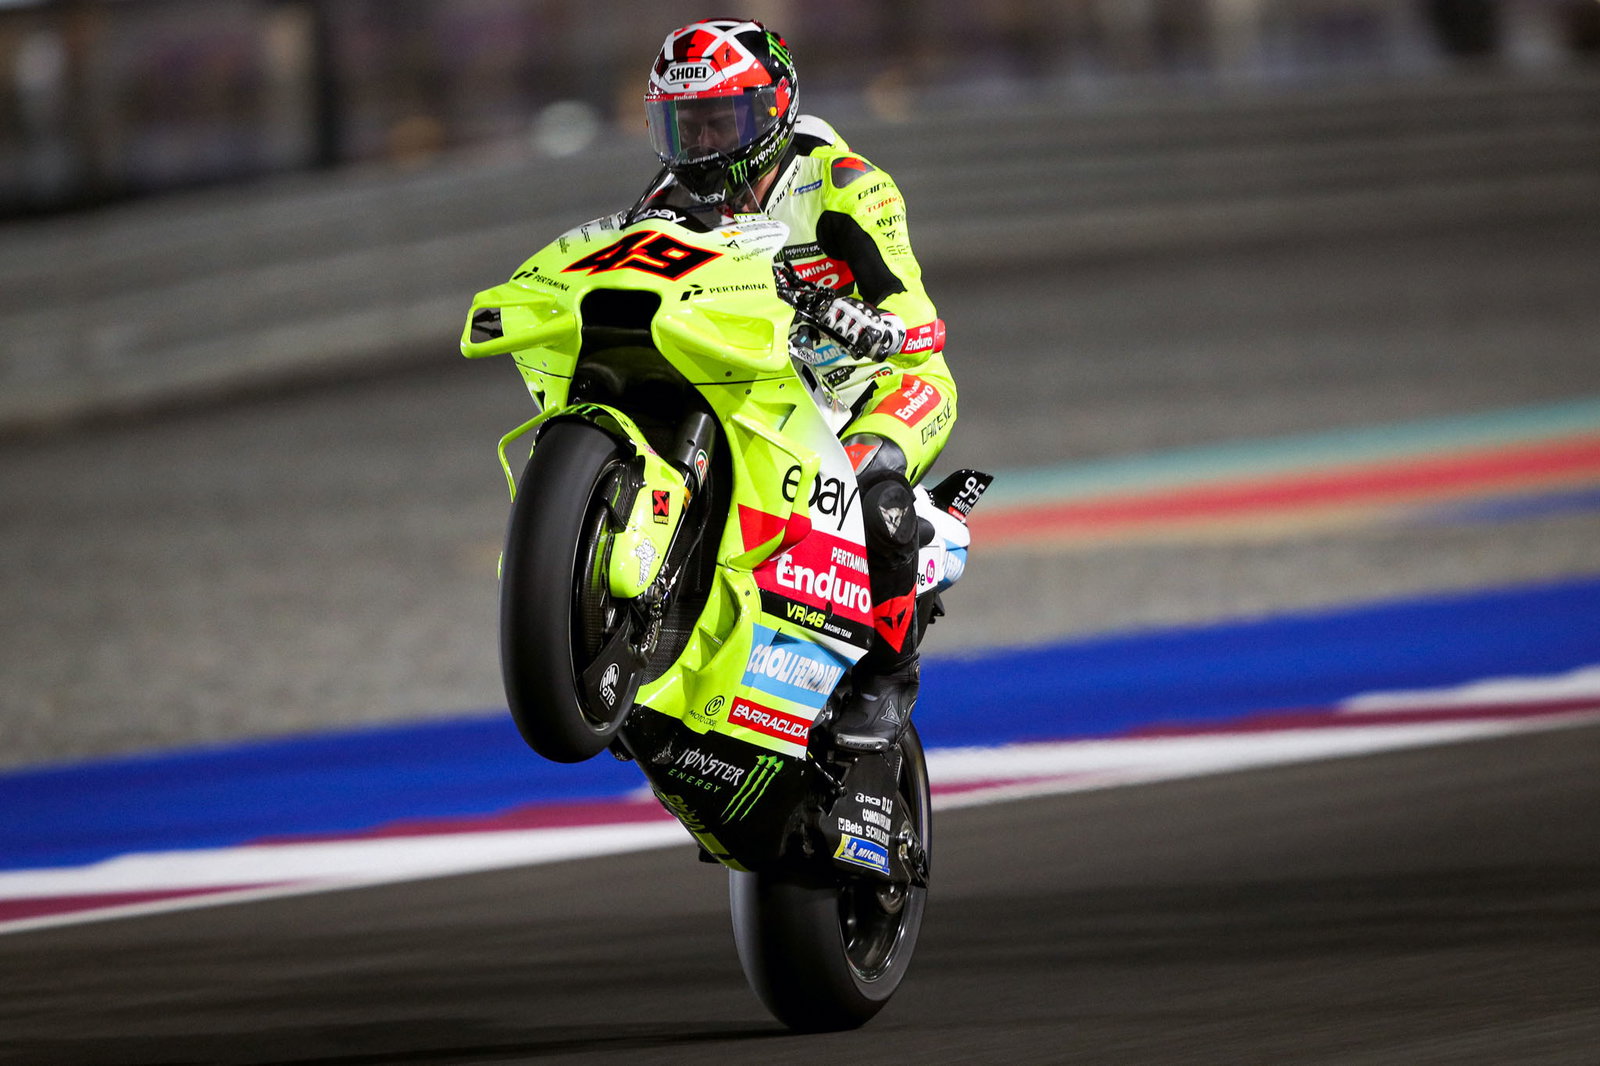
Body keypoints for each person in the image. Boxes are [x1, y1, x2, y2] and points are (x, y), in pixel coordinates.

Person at [640, 19, 956, 831]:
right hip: (773, 400)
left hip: (881, 387)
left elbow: (915, 311)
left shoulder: (845, 181)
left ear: (773, 109)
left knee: (865, 491)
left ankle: (889, 679)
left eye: (721, 121)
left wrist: (875, 326)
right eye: (686, 124)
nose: (703, 143)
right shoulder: (668, 202)